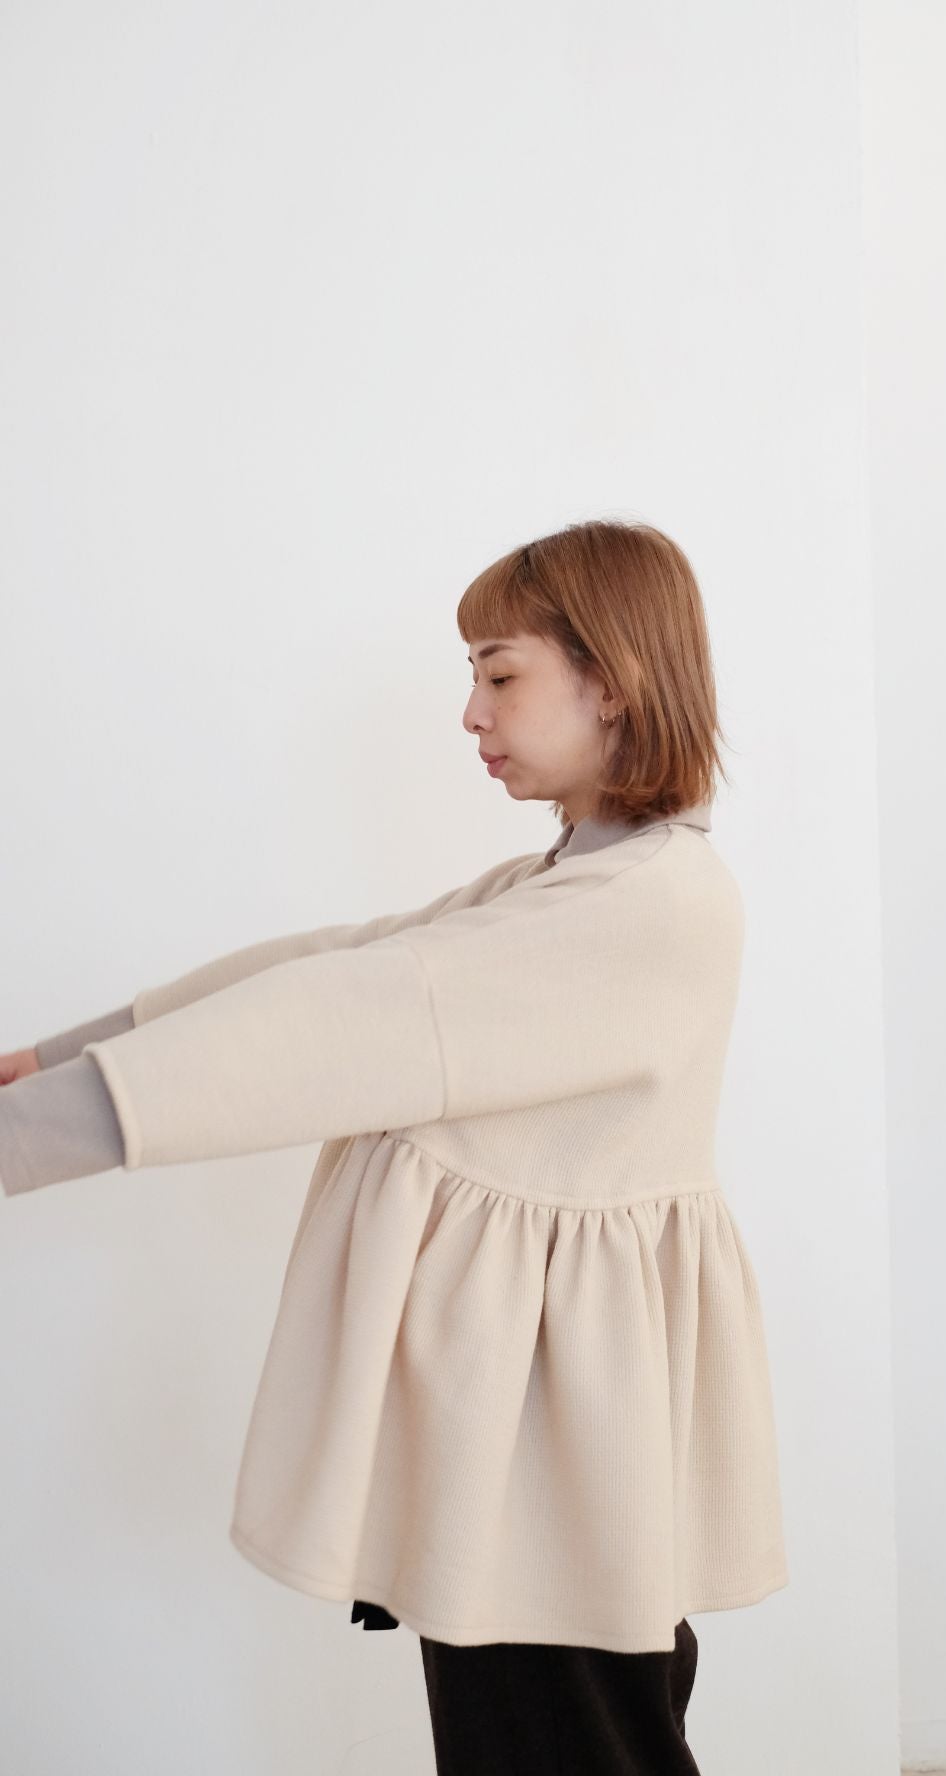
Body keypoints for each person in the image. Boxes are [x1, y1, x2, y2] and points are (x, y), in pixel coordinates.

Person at [1, 518, 788, 1774]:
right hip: (522, 1458)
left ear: (611, 679)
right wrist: (58, 1056)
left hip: (554, 1471)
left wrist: (27, 1134)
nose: (471, 712)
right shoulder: (566, 885)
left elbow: (343, 1018)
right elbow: (345, 960)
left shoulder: (647, 907)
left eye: (499, 672)